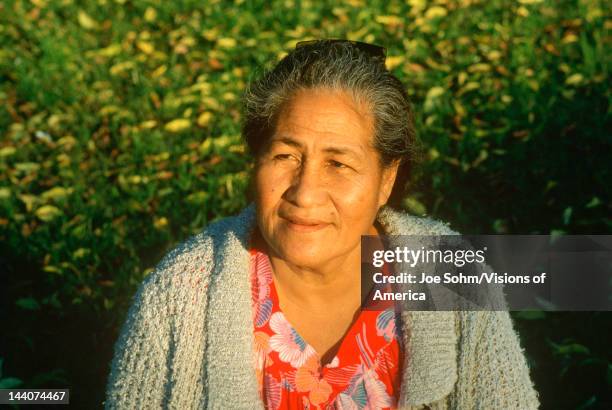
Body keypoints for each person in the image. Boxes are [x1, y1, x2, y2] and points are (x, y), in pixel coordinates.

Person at [104, 39, 539, 409]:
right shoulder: (180, 295)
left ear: (386, 179)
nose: (305, 193)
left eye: (338, 163)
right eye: (285, 156)